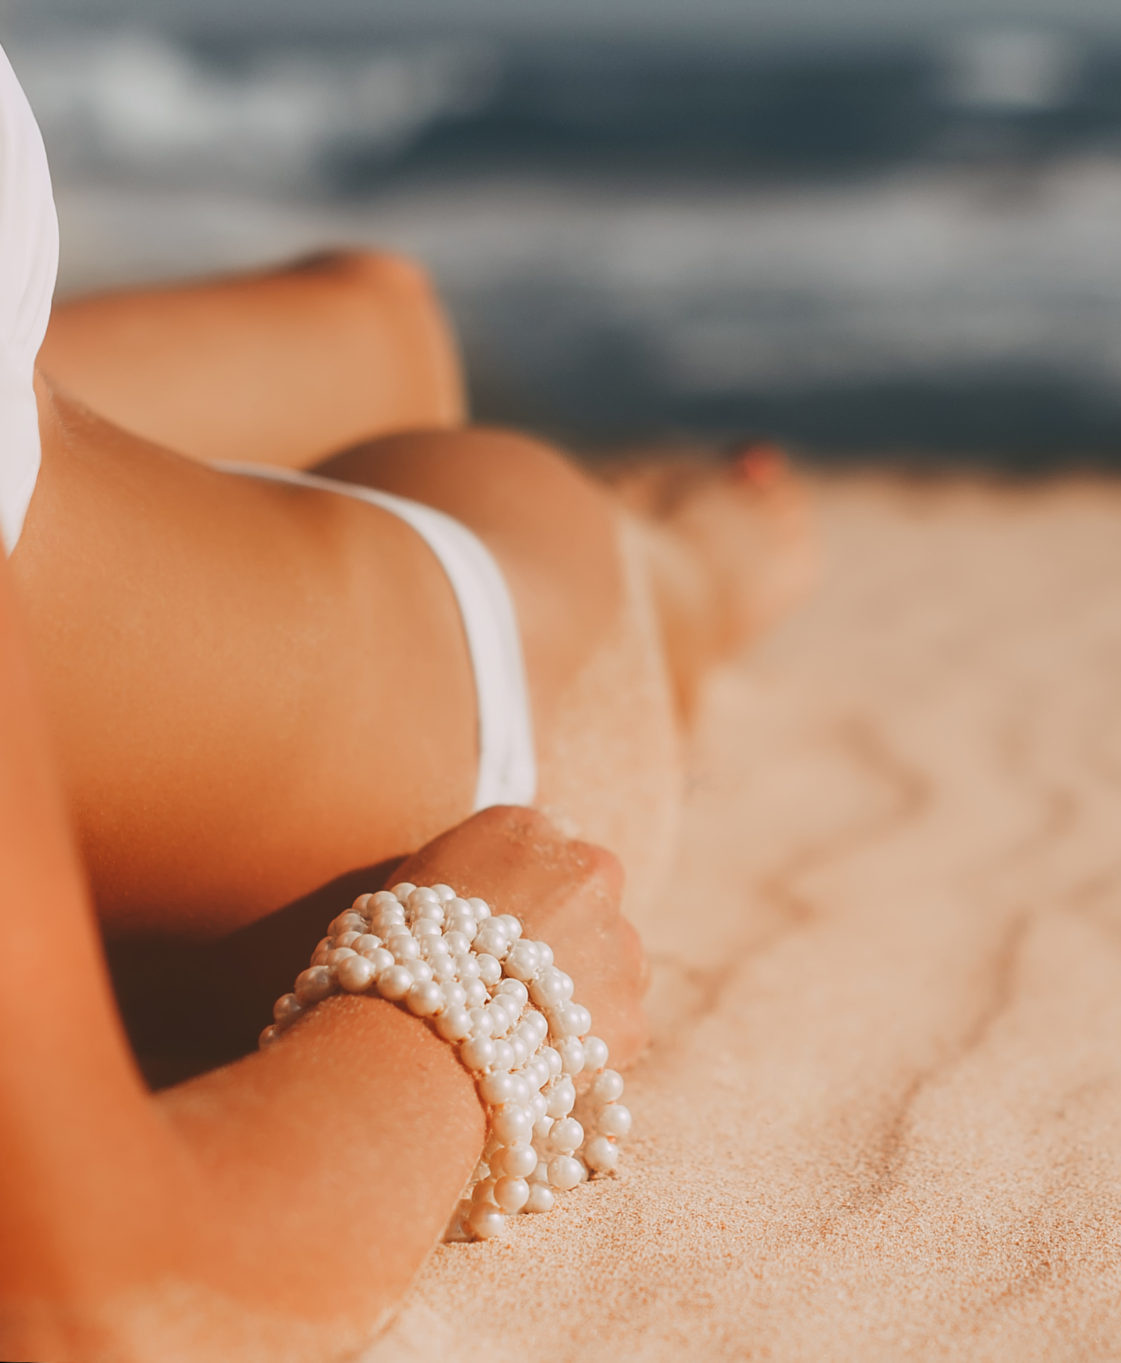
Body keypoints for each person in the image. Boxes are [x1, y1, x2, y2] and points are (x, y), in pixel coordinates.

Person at [0, 38, 811, 1360]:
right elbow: (106, 1313)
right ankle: (702, 566)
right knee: (631, 586)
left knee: (370, 313)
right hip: (466, 657)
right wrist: (448, 1022)